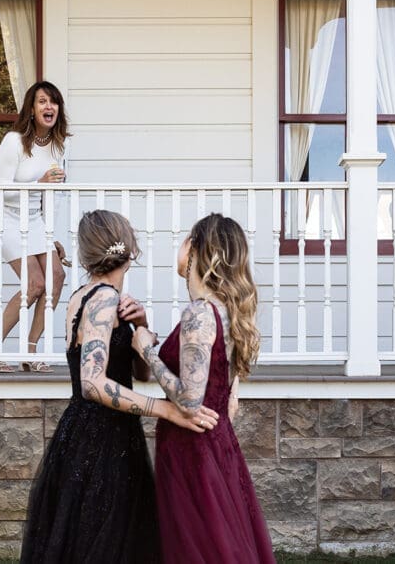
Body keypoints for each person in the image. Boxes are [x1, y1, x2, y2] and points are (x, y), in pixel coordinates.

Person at [21, 210, 219, 563]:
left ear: (86, 255)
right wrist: (165, 409)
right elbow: (92, 383)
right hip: (101, 440)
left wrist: (141, 327)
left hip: (93, 432)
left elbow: (138, 374)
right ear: (131, 251)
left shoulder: (85, 296)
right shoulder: (104, 300)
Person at [132, 213, 275, 564]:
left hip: (191, 451)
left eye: (184, 239)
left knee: (197, 548)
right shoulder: (227, 311)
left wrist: (146, 350)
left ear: (196, 249)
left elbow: (189, 400)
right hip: (216, 444)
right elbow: (229, 399)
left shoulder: (200, 313)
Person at [0, 80, 71, 373]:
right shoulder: (14, 141)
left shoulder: (59, 146)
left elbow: (52, 198)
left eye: (53, 102)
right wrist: (39, 183)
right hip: (2, 213)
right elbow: (0, 191)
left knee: (56, 277)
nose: (49, 107)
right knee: (34, 284)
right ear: (31, 109)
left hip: (32, 217)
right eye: (42, 101)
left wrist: (50, 235)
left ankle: (30, 351)